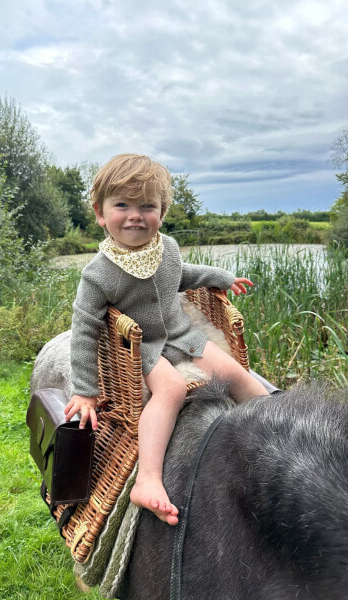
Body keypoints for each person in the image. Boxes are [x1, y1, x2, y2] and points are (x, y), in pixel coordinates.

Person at [64, 154, 269, 526]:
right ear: (100, 212)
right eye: (122, 205)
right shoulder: (99, 274)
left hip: (182, 334)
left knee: (234, 372)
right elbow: (84, 328)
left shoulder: (167, 248)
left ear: (162, 211)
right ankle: (147, 480)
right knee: (171, 390)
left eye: (147, 206)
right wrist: (85, 390)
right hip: (142, 350)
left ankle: (274, 424)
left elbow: (184, 275)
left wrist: (221, 277)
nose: (135, 215)